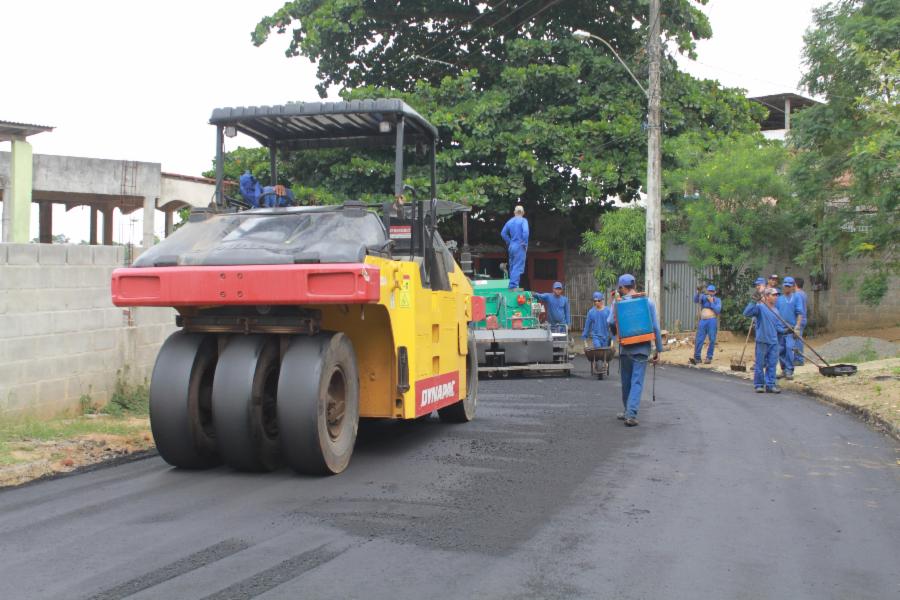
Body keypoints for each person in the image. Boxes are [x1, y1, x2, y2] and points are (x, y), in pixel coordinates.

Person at [607, 274, 663, 427]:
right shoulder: (647, 301)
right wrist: (658, 349)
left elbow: (610, 321)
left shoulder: (617, 303)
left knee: (626, 381)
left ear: (622, 288)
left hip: (626, 348)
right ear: (634, 285)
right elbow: (656, 327)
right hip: (642, 350)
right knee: (636, 382)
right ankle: (631, 414)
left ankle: (627, 411)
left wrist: (615, 337)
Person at [743, 287, 782, 393]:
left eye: (777, 295)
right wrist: (752, 302)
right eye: (773, 295)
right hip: (762, 340)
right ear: (767, 296)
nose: (776, 297)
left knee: (772, 364)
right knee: (760, 364)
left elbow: (778, 327)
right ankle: (759, 384)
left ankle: (770, 385)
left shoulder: (776, 311)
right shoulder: (760, 308)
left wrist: (787, 331)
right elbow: (746, 313)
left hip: (773, 341)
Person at [776, 276, 804, 379]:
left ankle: (789, 370)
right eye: (785, 286)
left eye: (789, 286)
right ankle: (783, 370)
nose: (787, 288)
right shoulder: (779, 299)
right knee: (781, 350)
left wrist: (797, 327)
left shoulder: (796, 298)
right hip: (781, 329)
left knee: (789, 348)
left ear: (793, 287)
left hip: (791, 329)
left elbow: (800, 313)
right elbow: (776, 313)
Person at [691, 284, 721, 365]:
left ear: (714, 292)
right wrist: (698, 292)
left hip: (712, 320)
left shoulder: (717, 300)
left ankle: (709, 357)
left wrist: (711, 302)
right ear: (707, 291)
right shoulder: (703, 297)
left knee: (712, 339)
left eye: (712, 291)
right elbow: (696, 300)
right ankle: (697, 357)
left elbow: (718, 310)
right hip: (703, 321)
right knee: (699, 338)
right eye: (709, 291)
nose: (710, 293)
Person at [500, 205, 529, 290]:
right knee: (518, 266)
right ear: (523, 213)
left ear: (514, 212)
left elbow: (503, 233)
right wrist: (525, 243)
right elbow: (526, 232)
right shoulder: (523, 221)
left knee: (512, 266)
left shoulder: (510, 221)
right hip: (520, 246)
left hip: (512, 246)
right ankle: (513, 286)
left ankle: (513, 285)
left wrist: (509, 242)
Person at [793, 277, 809, 366]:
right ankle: (797, 358)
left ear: (795, 284)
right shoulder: (803, 294)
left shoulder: (797, 295)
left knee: (798, 339)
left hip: (799, 320)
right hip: (803, 319)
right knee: (797, 339)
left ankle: (799, 359)